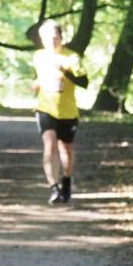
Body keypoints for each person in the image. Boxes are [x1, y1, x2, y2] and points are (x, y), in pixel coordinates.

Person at [32, 19, 88, 204]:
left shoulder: (72, 57)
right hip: (45, 108)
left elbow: (84, 81)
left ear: (61, 38)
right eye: (47, 38)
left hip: (68, 110)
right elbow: (40, 78)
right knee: (50, 145)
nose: (51, 42)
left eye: (55, 38)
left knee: (67, 150)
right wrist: (36, 85)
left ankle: (66, 180)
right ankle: (53, 187)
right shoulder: (38, 56)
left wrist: (65, 69)